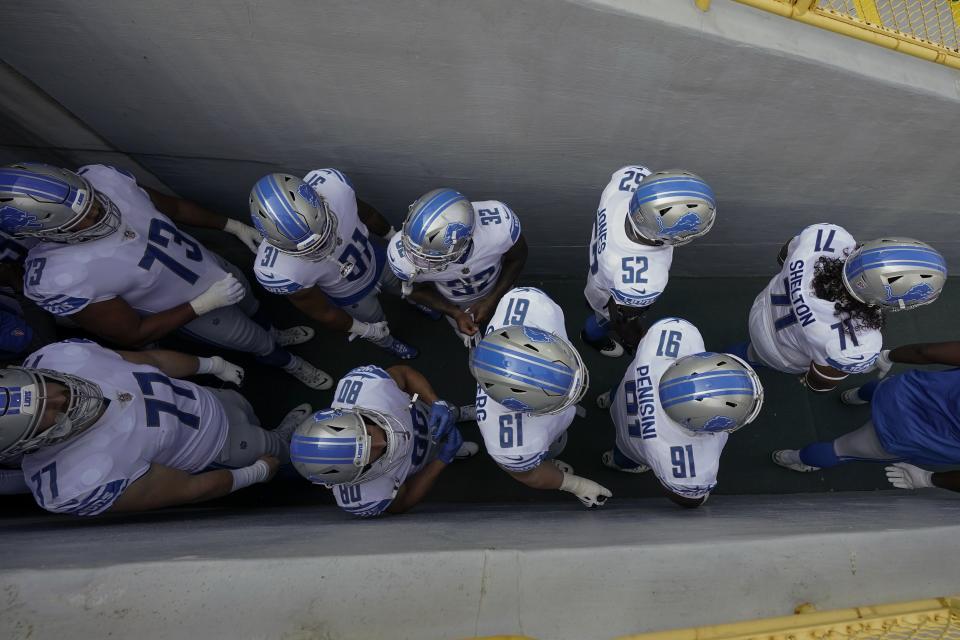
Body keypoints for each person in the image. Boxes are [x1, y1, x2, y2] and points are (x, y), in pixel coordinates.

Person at [0, 162, 331, 389]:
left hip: (208, 265)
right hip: (191, 309)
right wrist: (200, 306)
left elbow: (172, 208)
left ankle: (277, 332)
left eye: (93, 202)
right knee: (254, 341)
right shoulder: (60, 274)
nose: (100, 213)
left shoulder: (105, 180)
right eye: (81, 220)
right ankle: (288, 363)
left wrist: (231, 225)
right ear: (45, 234)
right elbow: (133, 334)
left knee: (252, 304)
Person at [1, 338, 312, 516]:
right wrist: (253, 474)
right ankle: (293, 455)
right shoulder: (72, 482)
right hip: (218, 449)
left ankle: (278, 440)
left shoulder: (57, 358)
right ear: (29, 442)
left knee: (247, 411)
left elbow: (149, 360)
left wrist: (211, 365)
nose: (62, 394)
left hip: (207, 398)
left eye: (46, 386)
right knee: (278, 451)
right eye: (53, 410)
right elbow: (186, 489)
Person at [730, 229, 946, 392]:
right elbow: (820, 382)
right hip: (777, 350)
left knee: (746, 352)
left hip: (763, 307)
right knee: (757, 355)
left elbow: (783, 256)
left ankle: (736, 357)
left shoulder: (827, 235)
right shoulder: (860, 343)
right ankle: (748, 360)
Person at [248, 170, 419, 359]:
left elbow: (369, 215)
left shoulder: (334, 188)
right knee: (377, 325)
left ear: (321, 200)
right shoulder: (278, 271)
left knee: (407, 286)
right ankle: (388, 343)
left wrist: (392, 237)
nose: (322, 245)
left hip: (376, 258)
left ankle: (416, 300)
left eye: (323, 231)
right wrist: (364, 330)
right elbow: (325, 312)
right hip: (352, 296)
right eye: (309, 248)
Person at [467, 286, 611, 507]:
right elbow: (529, 475)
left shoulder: (530, 302)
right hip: (539, 436)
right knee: (546, 450)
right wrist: (574, 484)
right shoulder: (514, 445)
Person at [599, 317, 763, 507]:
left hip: (625, 394)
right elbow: (689, 500)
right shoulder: (685, 468)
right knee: (625, 457)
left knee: (619, 393)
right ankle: (615, 461)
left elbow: (650, 333)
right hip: (631, 444)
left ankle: (606, 400)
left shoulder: (675, 334)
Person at [289, 364, 479, 517]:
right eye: (367, 457)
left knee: (444, 412)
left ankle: (455, 413)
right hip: (423, 458)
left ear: (353, 415)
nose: (382, 443)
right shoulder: (366, 497)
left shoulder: (368, 388)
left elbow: (404, 373)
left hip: (420, 412)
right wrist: (441, 460)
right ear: (352, 476)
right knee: (438, 451)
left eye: (368, 434)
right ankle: (447, 449)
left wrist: (435, 401)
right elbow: (401, 503)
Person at [773, 340, 960, 491]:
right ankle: (791, 457)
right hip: (903, 435)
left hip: (899, 392)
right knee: (839, 450)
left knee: (880, 389)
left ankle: (854, 396)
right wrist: (929, 479)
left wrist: (888, 356)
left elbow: (926, 351)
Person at [583, 167, 716, 357]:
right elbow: (623, 319)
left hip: (599, 274)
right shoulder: (644, 279)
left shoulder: (630, 177)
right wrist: (635, 341)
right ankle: (591, 337)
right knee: (603, 320)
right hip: (606, 293)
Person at [387, 188, 527, 347]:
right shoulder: (405, 255)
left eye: (431, 256)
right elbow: (413, 290)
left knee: (515, 338)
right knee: (473, 342)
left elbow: (517, 258)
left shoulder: (499, 228)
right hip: (457, 303)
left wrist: (492, 299)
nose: (415, 259)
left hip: (499, 289)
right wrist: (455, 313)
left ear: (462, 241)